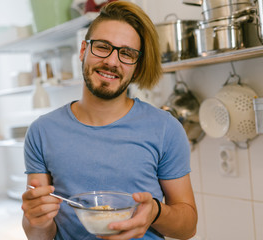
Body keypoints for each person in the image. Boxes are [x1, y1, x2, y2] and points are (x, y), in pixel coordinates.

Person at [21, 1, 198, 239]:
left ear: (135, 67)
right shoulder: (42, 132)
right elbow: (39, 234)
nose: (112, 62)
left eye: (126, 53)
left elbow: (187, 228)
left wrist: (156, 212)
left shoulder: (166, 129)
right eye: (103, 47)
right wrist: (36, 220)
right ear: (83, 50)